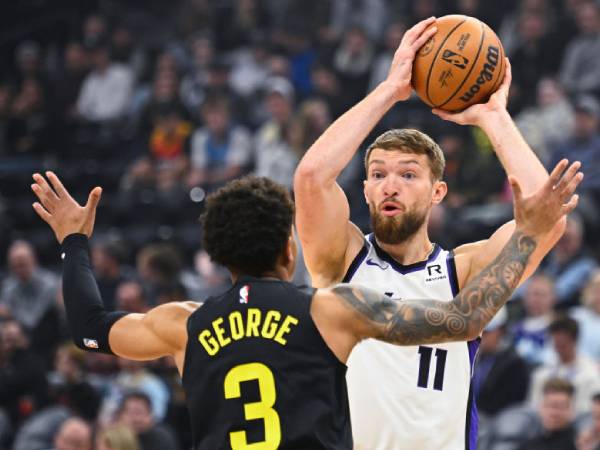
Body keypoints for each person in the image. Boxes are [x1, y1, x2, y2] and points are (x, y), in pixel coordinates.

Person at [29, 166, 578, 449]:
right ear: (290, 250)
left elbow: (88, 328)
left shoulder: (184, 325)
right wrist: (526, 236)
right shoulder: (330, 310)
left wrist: (74, 243)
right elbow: (463, 319)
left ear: (216, 255)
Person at [293, 16, 582, 450]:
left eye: (408, 174)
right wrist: (391, 87)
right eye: (378, 174)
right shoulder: (342, 262)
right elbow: (312, 178)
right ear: (366, 191)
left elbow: (546, 220)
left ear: (438, 192)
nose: (391, 184)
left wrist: (494, 116)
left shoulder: (462, 271)